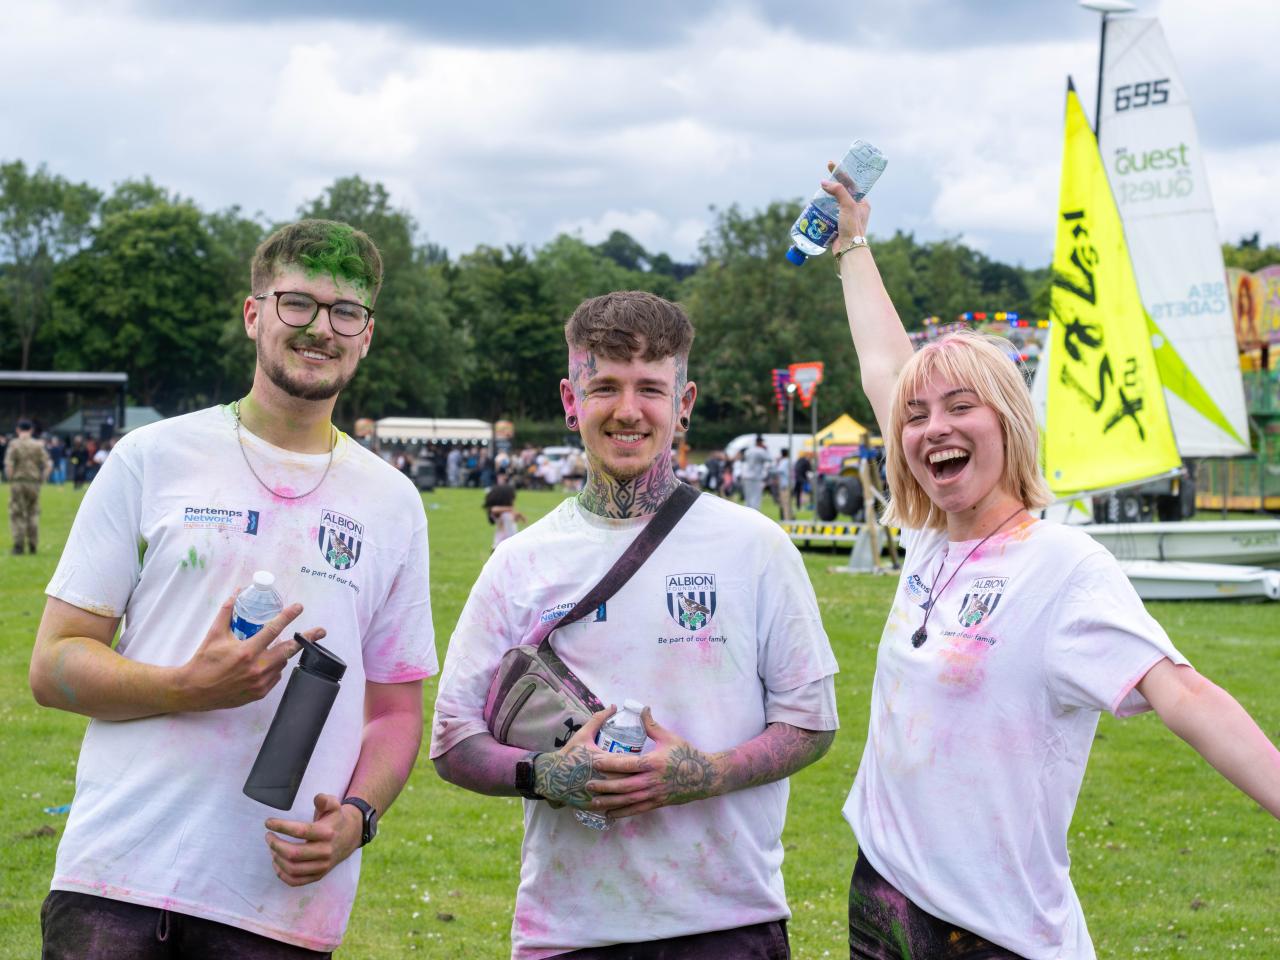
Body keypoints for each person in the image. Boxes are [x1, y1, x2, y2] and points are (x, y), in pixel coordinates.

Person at [821, 172, 1280, 959]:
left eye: (962, 406)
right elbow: (885, 372)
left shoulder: (1064, 565)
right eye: (919, 417)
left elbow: (1186, 695)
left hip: (989, 933)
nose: (935, 427)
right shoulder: (932, 538)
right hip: (883, 901)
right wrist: (853, 244)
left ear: (1009, 421)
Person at [28, 219, 436, 958]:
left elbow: (398, 711)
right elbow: (54, 665)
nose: (321, 327)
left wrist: (356, 817)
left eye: (346, 311)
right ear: (255, 314)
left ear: (367, 333)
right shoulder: (152, 458)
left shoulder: (393, 501)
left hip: (278, 904)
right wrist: (186, 685)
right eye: (298, 303)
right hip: (116, 880)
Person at [431, 291, 839, 959]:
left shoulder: (756, 547)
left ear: (685, 403)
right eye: (605, 387)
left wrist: (703, 773)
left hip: (725, 925)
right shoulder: (518, 563)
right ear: (571, 400)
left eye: (651, 388)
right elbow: (453, 742)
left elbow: (811, 723)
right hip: (568, 932)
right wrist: (548, 775)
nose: (627, 410)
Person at [5, 418, 51, 554]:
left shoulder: (14, 444)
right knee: (33, 512)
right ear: (31, 430)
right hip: (34, 482)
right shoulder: (38, 445)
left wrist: (11, 478)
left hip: (18, 482)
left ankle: (19, 545)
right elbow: (48, 464)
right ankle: (33, 544)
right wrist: (43, 478)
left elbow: (9, 465)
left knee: (17, 513)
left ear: (18, 430)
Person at [483, 471, 525, 551]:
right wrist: (510, 509)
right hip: (501, 547)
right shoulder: (499, 513)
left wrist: (519, 516)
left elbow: (513, 520)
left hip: (510, 545)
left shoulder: (506, 512)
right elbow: (493, 509)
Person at [740, 434, 771, 511]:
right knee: (756, 497)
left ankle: (747, 513)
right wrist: (766, 450)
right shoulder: (761, 451)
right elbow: (769, 459)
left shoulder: (749, 450)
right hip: (756, 477)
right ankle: (755, 513)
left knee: (748, 497)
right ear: (760, 442)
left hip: (746, 475)